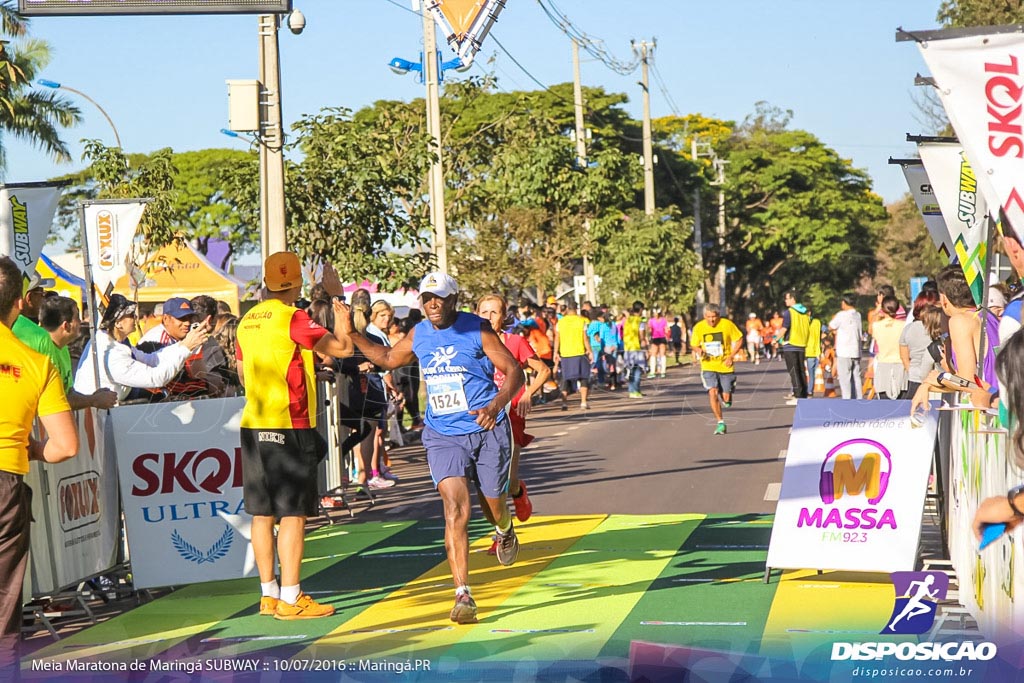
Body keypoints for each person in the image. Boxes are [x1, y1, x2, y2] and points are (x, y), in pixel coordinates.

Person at [341, 273, 524, 625]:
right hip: (443, 434)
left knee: (492, 503)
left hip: (486, 427)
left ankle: (504, 528)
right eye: (427, 298)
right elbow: (389, 358)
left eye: (439, 298)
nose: (432, 304)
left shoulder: (477, 328)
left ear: (454, 299)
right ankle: (463, 594)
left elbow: (514, 371)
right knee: (455, 507)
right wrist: (351, 333)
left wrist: (496, 405)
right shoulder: (420, 332)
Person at [235, 252, 354, 620]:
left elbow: (241, 373)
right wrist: (339, 302)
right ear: (298, 282)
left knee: (261, 513)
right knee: (293, 515)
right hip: (289, 423)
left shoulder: (247, 320)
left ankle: (269, 594)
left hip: (254, 422)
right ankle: (292, 596)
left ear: (268, 282)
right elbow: (344, 348)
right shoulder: (294, 317)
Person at [0, 257, 78, 676]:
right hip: (6, 482)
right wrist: (28, 448)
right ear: (19, 305)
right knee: (4, 603)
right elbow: (65, 446)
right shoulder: (36, 361)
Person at [477, 294, 551, 546]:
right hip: (483, 417)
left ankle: (518, 492)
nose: (488, 317)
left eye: (494, 312)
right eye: (483, 312)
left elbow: (543, 370)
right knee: (486, 484)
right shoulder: (471, 344)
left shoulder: (516, 342)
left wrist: (528, 394)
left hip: (511, 416)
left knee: (506, 481)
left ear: (503, 317)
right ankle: (501, 534)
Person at [73, 294, 208, 402]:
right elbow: (155, 378)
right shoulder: (111, 353)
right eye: (131, 315)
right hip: (96, 415)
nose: (136, 318)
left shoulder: (114, 340)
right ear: (118, 323)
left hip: (106, 407)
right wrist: (186, 348)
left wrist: (184, 345)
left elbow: (152, 359)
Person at [36, 296, 117, 410]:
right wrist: (92, 400)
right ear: (66, 325)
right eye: (77, 317)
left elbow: (68, 393)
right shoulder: (42, 351)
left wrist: (94, 397)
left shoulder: (62, 348)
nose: (81, 321)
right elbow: (54, 400)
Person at [138, 296, 221, 399]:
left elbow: (195, 374)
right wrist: (206, 386)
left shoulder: (178, 337)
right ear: (166, 319)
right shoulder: (160, 340)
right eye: (181, 318)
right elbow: (168, 384)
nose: (187, 323)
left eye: (189, 318)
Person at [690, 304, 743, 436]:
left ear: (718, 316)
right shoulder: (699, 327)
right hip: (708, 365)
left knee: (726, 397)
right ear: (704, 316)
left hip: (725, 365)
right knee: (712, 392)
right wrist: (698, 350)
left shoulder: (727, 324)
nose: (712, 320)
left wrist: (731, 356)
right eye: (709, 317)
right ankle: (720, 423)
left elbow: (739, 339)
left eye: (714, 317)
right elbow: (693, 344)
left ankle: (728, 393)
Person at [553, 299, 593, 411]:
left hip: (565, 354)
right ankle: (583, 402)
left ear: (567, 309)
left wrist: (555, 353)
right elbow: (585, 338)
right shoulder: (581, 321)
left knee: (566, 379)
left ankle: (564, 403)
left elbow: (557, 339)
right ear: (577, 309)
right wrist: (589, 351)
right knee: (583, 377)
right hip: (579, 352)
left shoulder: (560, 322)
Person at [829, 293, 863, 399]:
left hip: (844, 351)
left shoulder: (841, 315)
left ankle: (847, 401)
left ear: (844, 302)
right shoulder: (858, 315)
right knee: (856, 377)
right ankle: (858, 399)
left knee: (845, 379)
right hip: (856, 350)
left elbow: (831, 326)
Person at [779, 290, 811, 404]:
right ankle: (804, 394)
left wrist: (775, 339)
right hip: (802, 344)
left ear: (793, 299)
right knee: (801, 370)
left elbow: (784, 328)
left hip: (791, 344)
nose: (785, 301)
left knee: (794, 371)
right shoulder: (805, 312)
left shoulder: (790, 312)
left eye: (787, 298)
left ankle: (798, 396)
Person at [623, 301, 647, 398]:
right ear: (641, 309)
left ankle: (631, 391)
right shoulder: (639, 321)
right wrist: (645, 348)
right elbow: (641, 336)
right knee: (637, 370)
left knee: (631, 370)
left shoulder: (628, 320)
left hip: (627, 348)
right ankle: (636, 390)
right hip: (636, 348)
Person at [647, 308, 668, 378]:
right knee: (659, 354)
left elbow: (649, 330)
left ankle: (654, 372)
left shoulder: (651, 320)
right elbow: (666, 329)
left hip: (657, 337)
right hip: (659, 337)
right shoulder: (663, 320)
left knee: (656, 354)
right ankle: (662, 371)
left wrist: (649, 335)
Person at [805, 310, 823, 395]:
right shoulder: (817, 322)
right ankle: (810, 391)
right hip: (814, 351)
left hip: (804, 350)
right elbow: (823, 333)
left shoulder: (803, 322)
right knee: (811, 373)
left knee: (798, 372)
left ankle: (796, 390)